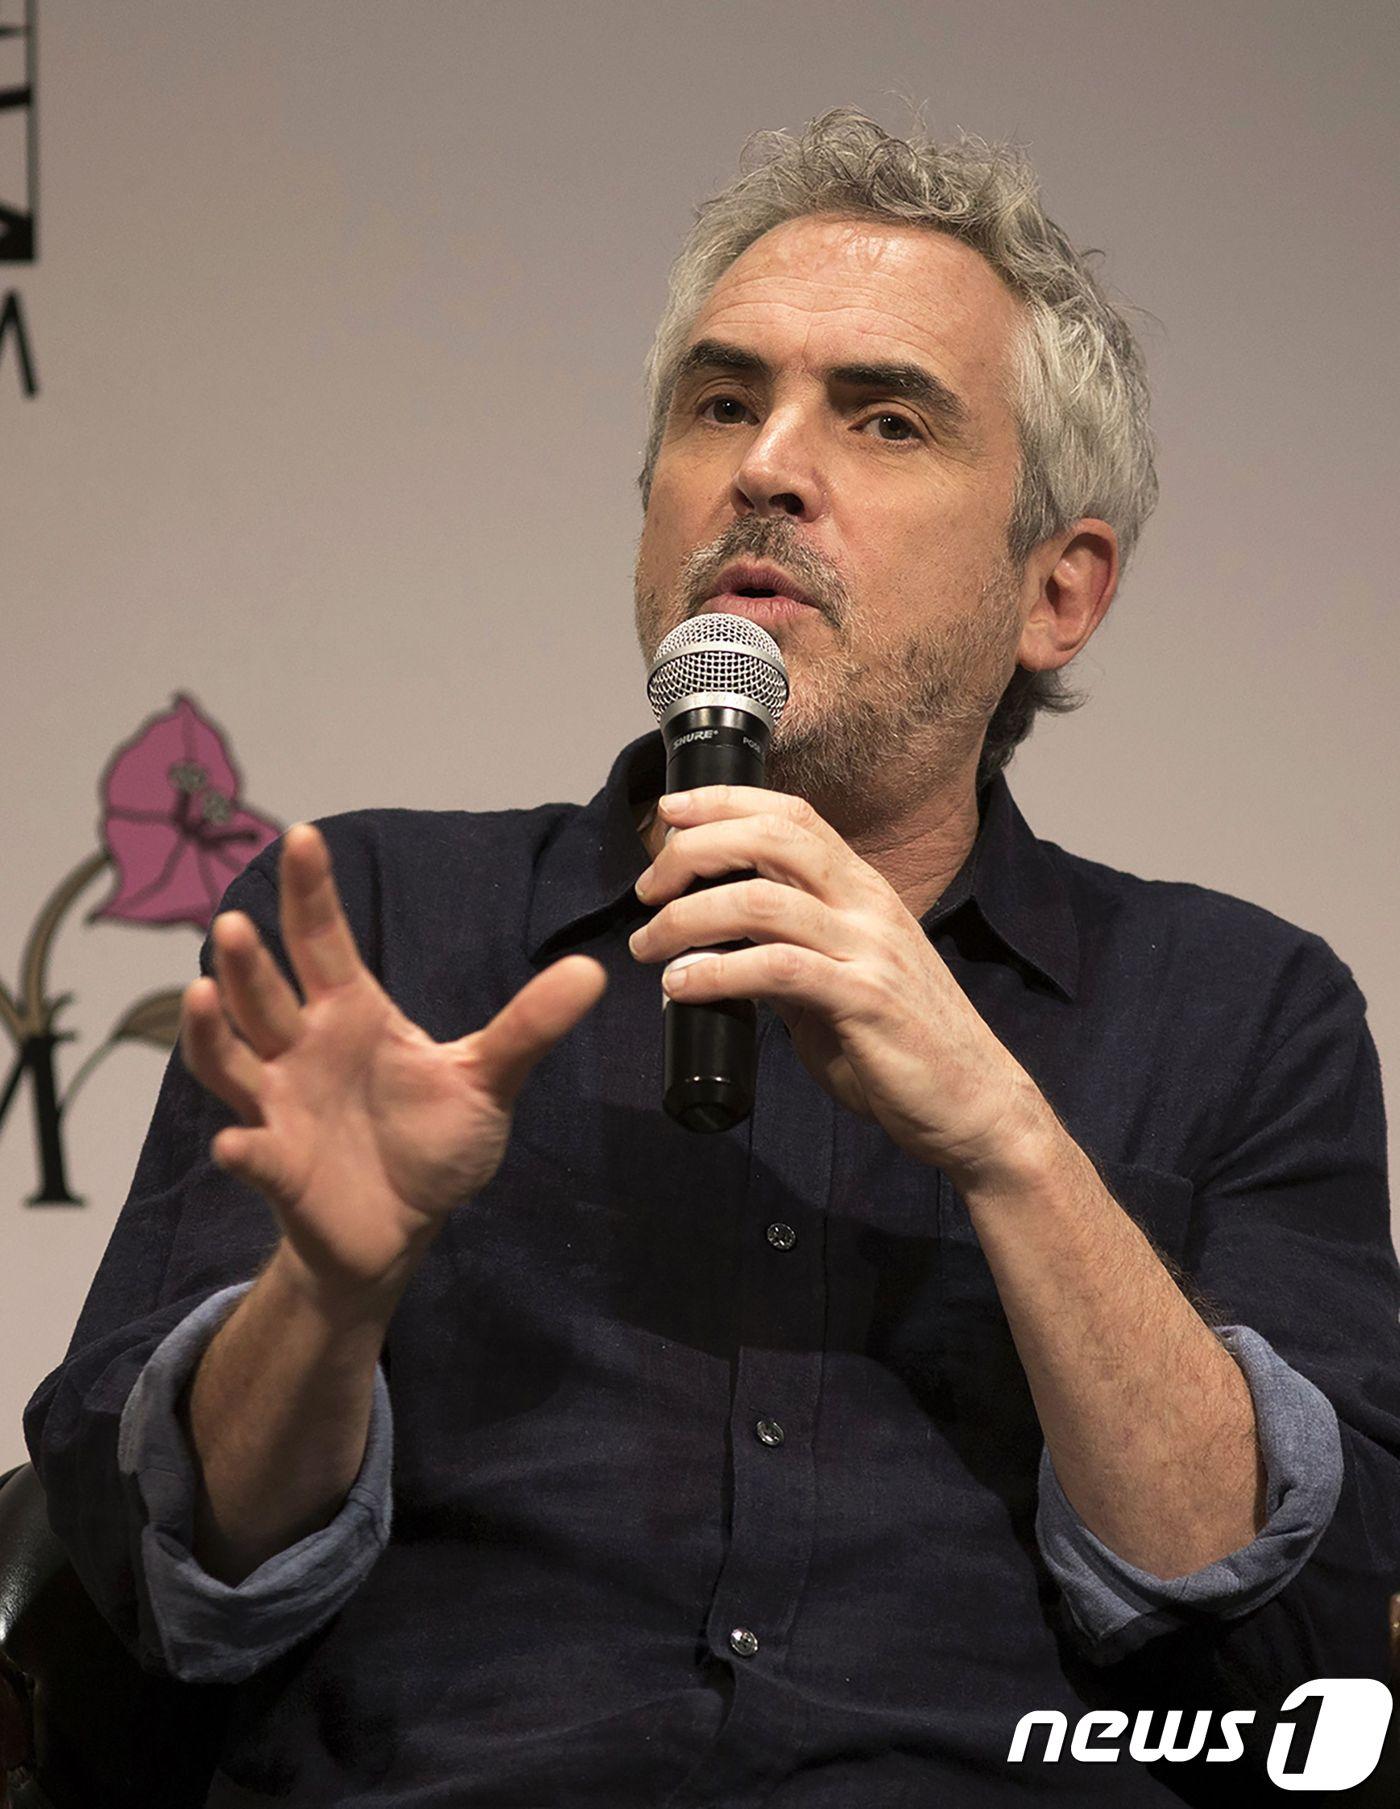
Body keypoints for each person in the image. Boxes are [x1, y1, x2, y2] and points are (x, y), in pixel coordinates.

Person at [21, 107, 1400, 1806]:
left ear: (1061, 590)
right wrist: (331, 1292)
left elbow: (1299, 1645)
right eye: (724, 400)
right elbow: (148, 1587)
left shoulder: (1246, 1011)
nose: (767, 465)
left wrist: (1010, 1136)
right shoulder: (372, 922)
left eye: (885, 417)